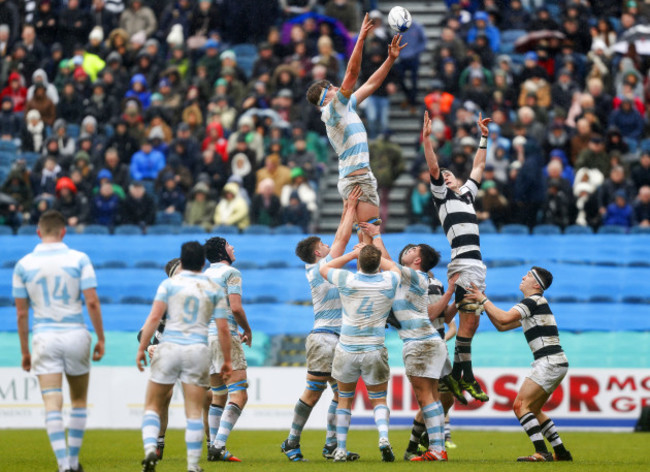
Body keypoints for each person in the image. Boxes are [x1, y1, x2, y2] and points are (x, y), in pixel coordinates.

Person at [12, 210, 105, 472]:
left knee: (52, 402)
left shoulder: (23, 265)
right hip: (75, 333)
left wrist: (24, 351)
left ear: (38, 232)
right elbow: (92, 302)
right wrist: (100, 337)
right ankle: (74, 462)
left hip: (44, 336)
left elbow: (21, 312)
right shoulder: (79, 259)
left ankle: (63, 464)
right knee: (78, 401)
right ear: (64, 231)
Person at [305, 14, 406, 242]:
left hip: (354, 177)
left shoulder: (343, 107)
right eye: (330, 87)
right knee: (370, 239)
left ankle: (350, 274)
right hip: (358, 179)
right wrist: (360, 38)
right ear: (325, 98)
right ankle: (368, 276)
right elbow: (352, 74)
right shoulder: (332, 111)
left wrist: (390, 59)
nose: (336, 86)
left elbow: (371, 83)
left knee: (364, 239)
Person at [281, 186, 362, 462]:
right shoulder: (320, 268)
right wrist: (351, 208)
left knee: (342, 395)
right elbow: (342, 238)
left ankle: (331, 445)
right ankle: (291, 441)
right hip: (325, 337)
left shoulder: (321, 266)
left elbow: (339, 236)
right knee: (314, 392)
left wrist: (346, 208)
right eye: (324, 246)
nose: (329, 246)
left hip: (338, 338)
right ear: (318, 253)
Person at [137, 241, 232, 472]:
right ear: (203, 262)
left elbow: (152, 319)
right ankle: (192, 465)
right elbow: (222, 328)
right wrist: (227, 360)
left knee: (152, 404)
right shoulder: (213, 288)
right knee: (193, 410)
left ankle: (151, 448)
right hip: (197, 351)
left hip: (168, 348)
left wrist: (142, 348)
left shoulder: (168, 285)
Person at [362, 230, 456, 462]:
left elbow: (383, 262)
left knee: (426, 399)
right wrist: (373, 237)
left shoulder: (414, 276)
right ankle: (437, 449)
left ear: (418, 261)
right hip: (431, 340)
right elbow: (387, 264)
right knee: (432, 397)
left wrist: (373, 239)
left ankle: (436, 450)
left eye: (413, 250)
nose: (408, 250)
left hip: (419, 343)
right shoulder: (412, 278)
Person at [466, 268, 573, 463]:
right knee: (534, 409)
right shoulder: (536, 305)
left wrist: (483, 300)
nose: (523, 277)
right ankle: (562, 452)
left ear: (536, 285)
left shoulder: (532, 302)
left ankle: (542, 452)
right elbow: (502, 326)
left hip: (548, 362)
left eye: (528, 275)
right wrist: (484, 305)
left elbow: (505, 318)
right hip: (556, 361)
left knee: (520, 405)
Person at [421, 110, 492, 403]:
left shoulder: (466, 195)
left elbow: (478, 167)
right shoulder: (443, 198)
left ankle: (456, 377)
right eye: (444, 176)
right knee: (468, 324)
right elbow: (434, 166)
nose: (446, 176)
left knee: (471, 325)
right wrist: (427, 140)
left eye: (451, 174)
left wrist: (484, 138)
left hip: (476, 263)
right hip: (463, 262)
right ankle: (467, 378)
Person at [319, 244, 401, 462]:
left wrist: (354, 252)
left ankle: (341, 449)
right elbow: (394, 267)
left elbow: (324, 268)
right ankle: (383, 438)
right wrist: (371, 251)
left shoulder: (347, 279)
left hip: (347, 347)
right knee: (379, 399)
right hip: (374, 348)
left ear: (358, 263)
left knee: (344, 399)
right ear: (378, 263)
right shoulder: (390, 280)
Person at [203, 237, 254, 462]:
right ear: (222, 252)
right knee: (239, 394)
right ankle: (219, 444)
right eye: (228, 245)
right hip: (224, 336)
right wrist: (247, 329)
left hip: (204, 338)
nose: (233, 248)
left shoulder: (202, 276)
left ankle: (214, 448)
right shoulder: (231, 273)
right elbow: (235, 308)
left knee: (218, 395)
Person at [136, 257, 182, 460]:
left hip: (194, 351)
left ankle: (213, 444)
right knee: (164, 397)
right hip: (167, 350)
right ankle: (158, 444)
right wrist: (149, 346)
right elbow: (144, 331)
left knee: (207, 398)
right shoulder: (166, 295)